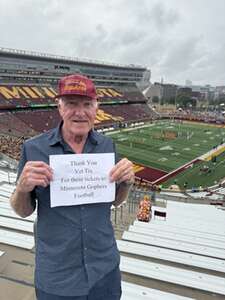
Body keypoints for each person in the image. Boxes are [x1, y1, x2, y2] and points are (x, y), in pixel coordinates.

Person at [10, 74, 134, 300]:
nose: (80, 112)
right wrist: (22, 188)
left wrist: (126, 182)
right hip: (58, 276)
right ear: (59, 107)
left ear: (96, 108)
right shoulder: (34, 148)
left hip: (104, 270)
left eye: (87, 104)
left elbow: (115, 200)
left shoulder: (107, 146)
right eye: (71, 104)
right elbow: (23, 210)